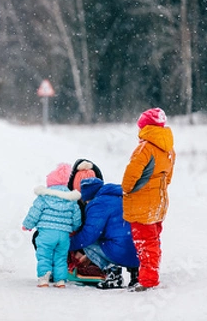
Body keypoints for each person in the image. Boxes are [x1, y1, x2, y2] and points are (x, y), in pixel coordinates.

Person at [121, 107, 176, 291]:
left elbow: (130, 176)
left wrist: (127, 190)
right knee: (153, 240)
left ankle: (148, 280)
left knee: (145, 242)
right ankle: (151, 272)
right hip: (159, 201)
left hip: (142, 203)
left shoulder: (145, 148)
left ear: (145, 127)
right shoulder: (168, 148)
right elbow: (168, 177)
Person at [69, 177, 140, 289]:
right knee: (122, 236)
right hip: (139, 251)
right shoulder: (122, 197)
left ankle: (113, 273)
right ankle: (135, 274)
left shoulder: (97, 204)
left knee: (88, 243)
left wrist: (67, 244)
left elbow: (88, 236)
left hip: (122, 251)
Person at [22, 163, 81, 288]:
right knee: (60, 257)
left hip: (46, 233)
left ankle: (44, 278)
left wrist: (27, 225)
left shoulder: (44, 197)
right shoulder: (71, 199)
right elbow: (76, 218)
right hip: (64, 235)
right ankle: (60, 281)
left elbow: (34, 213)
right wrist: (75, 228)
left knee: (44, 255)